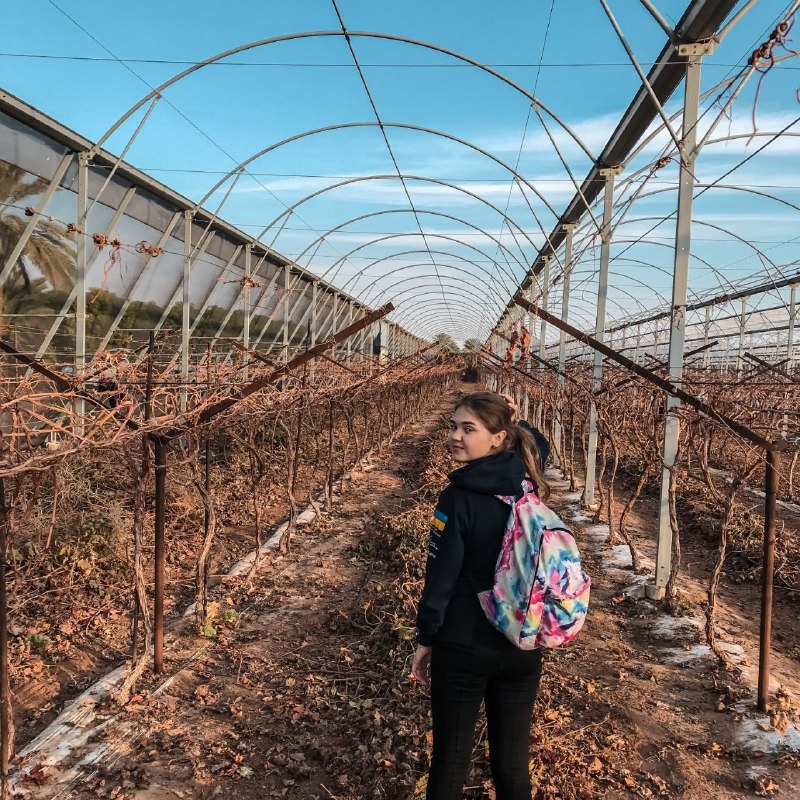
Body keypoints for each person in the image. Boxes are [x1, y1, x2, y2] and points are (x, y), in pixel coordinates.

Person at [412, 391, 550, 800]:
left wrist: (425, 640)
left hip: (464, 642)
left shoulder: (458, 498)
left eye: (467, 428)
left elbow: (440, 579)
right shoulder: (526, 482)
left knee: (451, 759)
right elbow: (537, 443)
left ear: (496, 438)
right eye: (453, 426)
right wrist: (517, 418)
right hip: (521, 641)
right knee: (511, 761)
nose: (454, 436)